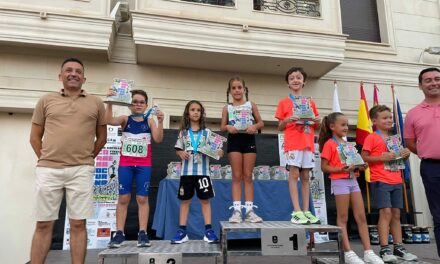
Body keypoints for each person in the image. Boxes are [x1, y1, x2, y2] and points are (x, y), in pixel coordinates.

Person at [29, 58, 107, 264]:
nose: (73, 74)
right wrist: (46, 159)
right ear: (60, 76)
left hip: (81, 171)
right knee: (44, 224)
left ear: (84, 78)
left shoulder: (96, 103)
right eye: (69, 70)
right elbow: (34, 137)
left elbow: (102, 137)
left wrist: (88, 159)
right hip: (48, 170)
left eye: (78, 71)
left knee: (78, 224)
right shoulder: (46, 100)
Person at [319, 112, 383, 264]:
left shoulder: (348, 145)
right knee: (343, 218)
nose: (346, 127)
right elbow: (324, 167)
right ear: (332, 126)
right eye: (343, 125)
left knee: (361, 217)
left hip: (353, 180)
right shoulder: (329, 144)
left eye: (347, 124)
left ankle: (368, 251)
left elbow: (354, 163)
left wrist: (361, 166)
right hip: (339, 182)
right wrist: (341, 170)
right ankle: (348, 252)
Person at [106, 89, 164, 248]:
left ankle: (143, 233)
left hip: (143, 165)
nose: (138, 104)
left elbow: (158, 139)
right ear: (130, 104)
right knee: (123, 198)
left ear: (146, 105)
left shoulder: (150, 121)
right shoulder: (125, 119)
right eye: (135, 101)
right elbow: (108, 120)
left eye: (141, 102)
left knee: (142, 198)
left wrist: (160, 121)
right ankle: (119, 233)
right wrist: (110, 101)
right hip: (126, 164)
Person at [361, 105, 417, 262]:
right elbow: (363, 157)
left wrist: (404, 156)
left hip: (396, 180)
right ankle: (385, 249)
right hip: (380, 179)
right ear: (374, 121)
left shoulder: (394, 139)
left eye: (390, 117)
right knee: (385, 213)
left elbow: (397, 160)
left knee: (397, 214)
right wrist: (381, 158)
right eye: (384, 118)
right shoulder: (372, 137)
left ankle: (398, 247)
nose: (389, 120)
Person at [171, 100, 223, 244]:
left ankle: (208, 231)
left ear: (202, 114)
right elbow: (178, 149)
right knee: (185, 201)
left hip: (203, 173)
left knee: (205, 201)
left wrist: (217, 151)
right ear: (188, 113)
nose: (195, 112)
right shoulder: (183, 133)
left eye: (198, 110)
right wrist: (180, 153)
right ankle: (182, 231)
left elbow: (220, 152)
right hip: (186, 173)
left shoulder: (207, 133)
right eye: (193, 109)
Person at [275, 67, 321, 224]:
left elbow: (317, 125)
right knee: (294, 175)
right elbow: (280, 127)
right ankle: (296, 211)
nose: (295, 80)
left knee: (306, 176)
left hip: (308, 143)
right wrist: (287, 120)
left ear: (304, 82)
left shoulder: (310, 102)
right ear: (288, 83)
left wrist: (318, 121)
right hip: (293, 143)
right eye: (292, 78)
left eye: (298, 77)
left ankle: (307, 210)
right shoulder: (284, 102)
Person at [404, 67, 440, 258]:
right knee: (439, 215)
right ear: (420, 85)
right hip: (431, 168)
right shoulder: (413, 113)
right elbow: (409, 142)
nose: (434, 83)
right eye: (428, 80)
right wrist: (429, 151)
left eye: (437, 78)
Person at [220, 76, 264, 223]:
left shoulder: (252, 105)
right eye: (234, 88)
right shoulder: (227, 107)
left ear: (244, 90)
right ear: (230, 91)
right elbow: (222, 126)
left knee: (248, 175)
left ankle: (250, 210)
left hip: (248, 140)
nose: (237, 90)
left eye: (239, 87)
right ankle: (237, 211)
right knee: (236, 176)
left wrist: (254, 127)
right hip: (234, 141)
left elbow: (261, 122)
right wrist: (228, 127)